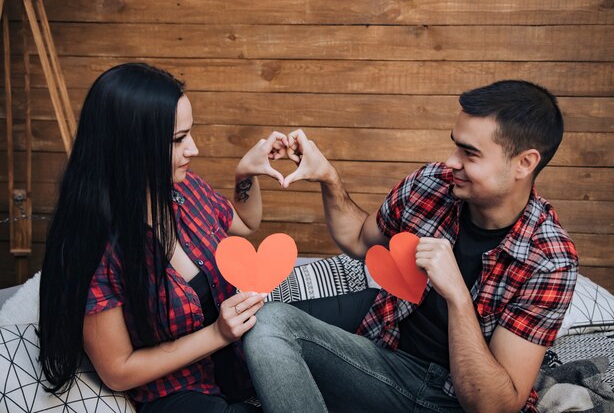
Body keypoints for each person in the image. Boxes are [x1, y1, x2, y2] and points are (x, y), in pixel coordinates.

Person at [243, 80, 579, 413]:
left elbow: (492, 405)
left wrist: (458, 296)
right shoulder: (432, 185)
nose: (451, 161)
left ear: (524, 163)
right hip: (388, 359)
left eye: (470, 153)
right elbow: (360, 240)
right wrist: (328, 176)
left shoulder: (550, 259)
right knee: (269, 323)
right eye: (455, 146)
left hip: (453, 400)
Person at [38, 62, 292, 412]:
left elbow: (246, 225)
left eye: (190, 133)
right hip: (177, 394)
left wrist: (245, 173)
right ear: (129, 147)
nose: (194, 149)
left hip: (237, 366)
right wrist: (217, 334)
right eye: (178, 140)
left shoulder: (185, 191)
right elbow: (117, 371)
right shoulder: (93, 246)